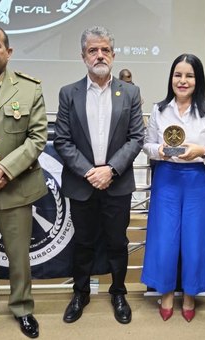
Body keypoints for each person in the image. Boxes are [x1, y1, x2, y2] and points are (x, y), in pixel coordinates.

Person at [54, 26, 144, 325]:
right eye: (93, 50)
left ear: (114, 55)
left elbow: (136, 137)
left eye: (105, 49)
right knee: (83, 242)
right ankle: (80, 293)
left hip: (117, 184)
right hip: (82, 184)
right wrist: (91, 172)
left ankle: (118, 292)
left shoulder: (130, 92)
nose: (99, 55)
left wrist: (111, 170)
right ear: (83, 57)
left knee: (118, 241)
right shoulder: (69, 93)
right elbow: (63, 140)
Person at [141, 53, 205, 322]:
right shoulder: (159, 109)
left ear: (197, 79)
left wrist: (201, 151)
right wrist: (161, 150)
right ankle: (165, 292)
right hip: (166, 178)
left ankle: (190, 294)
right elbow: (147, 145)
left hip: (196, 180)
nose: (183, 80)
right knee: (163, 239)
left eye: (189, 75)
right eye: (178, 75)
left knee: (195, 240)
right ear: (171, 78)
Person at [0, 24, 47, 338]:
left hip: (16, 191)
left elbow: (37, 138)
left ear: (8, 52)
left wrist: (3, 170)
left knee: (19, 258)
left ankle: (22, 309)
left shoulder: (28, 88)